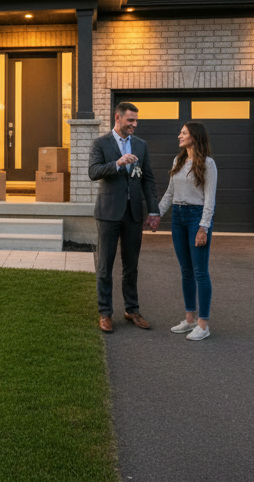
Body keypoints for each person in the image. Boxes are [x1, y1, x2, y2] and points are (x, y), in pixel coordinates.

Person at [88, 102, 161, 333]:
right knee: (105, 266)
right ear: (117, 118)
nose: (134, 125)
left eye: (136, 120)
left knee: (131, 265)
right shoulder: (100, 143)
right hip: (108, 213)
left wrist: (153, 210)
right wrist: (117, 164)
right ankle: (105, 313)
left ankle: (132, 310)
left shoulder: (141, 145)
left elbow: (148, 179)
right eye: (130, 120)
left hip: (133, 214)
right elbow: (93, 171)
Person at [154, 122, 218, 341]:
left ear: (195, 137)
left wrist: (203, 227)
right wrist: (157, 215)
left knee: (200, 271)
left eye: (184, 133)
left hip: (196, 217)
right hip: (178, 218)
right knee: (186, 270)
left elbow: (210, 198)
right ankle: (190, 319)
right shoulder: (178, 160)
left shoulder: (208, 164)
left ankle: (203, 324)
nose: (179, 135)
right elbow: (170, 193)